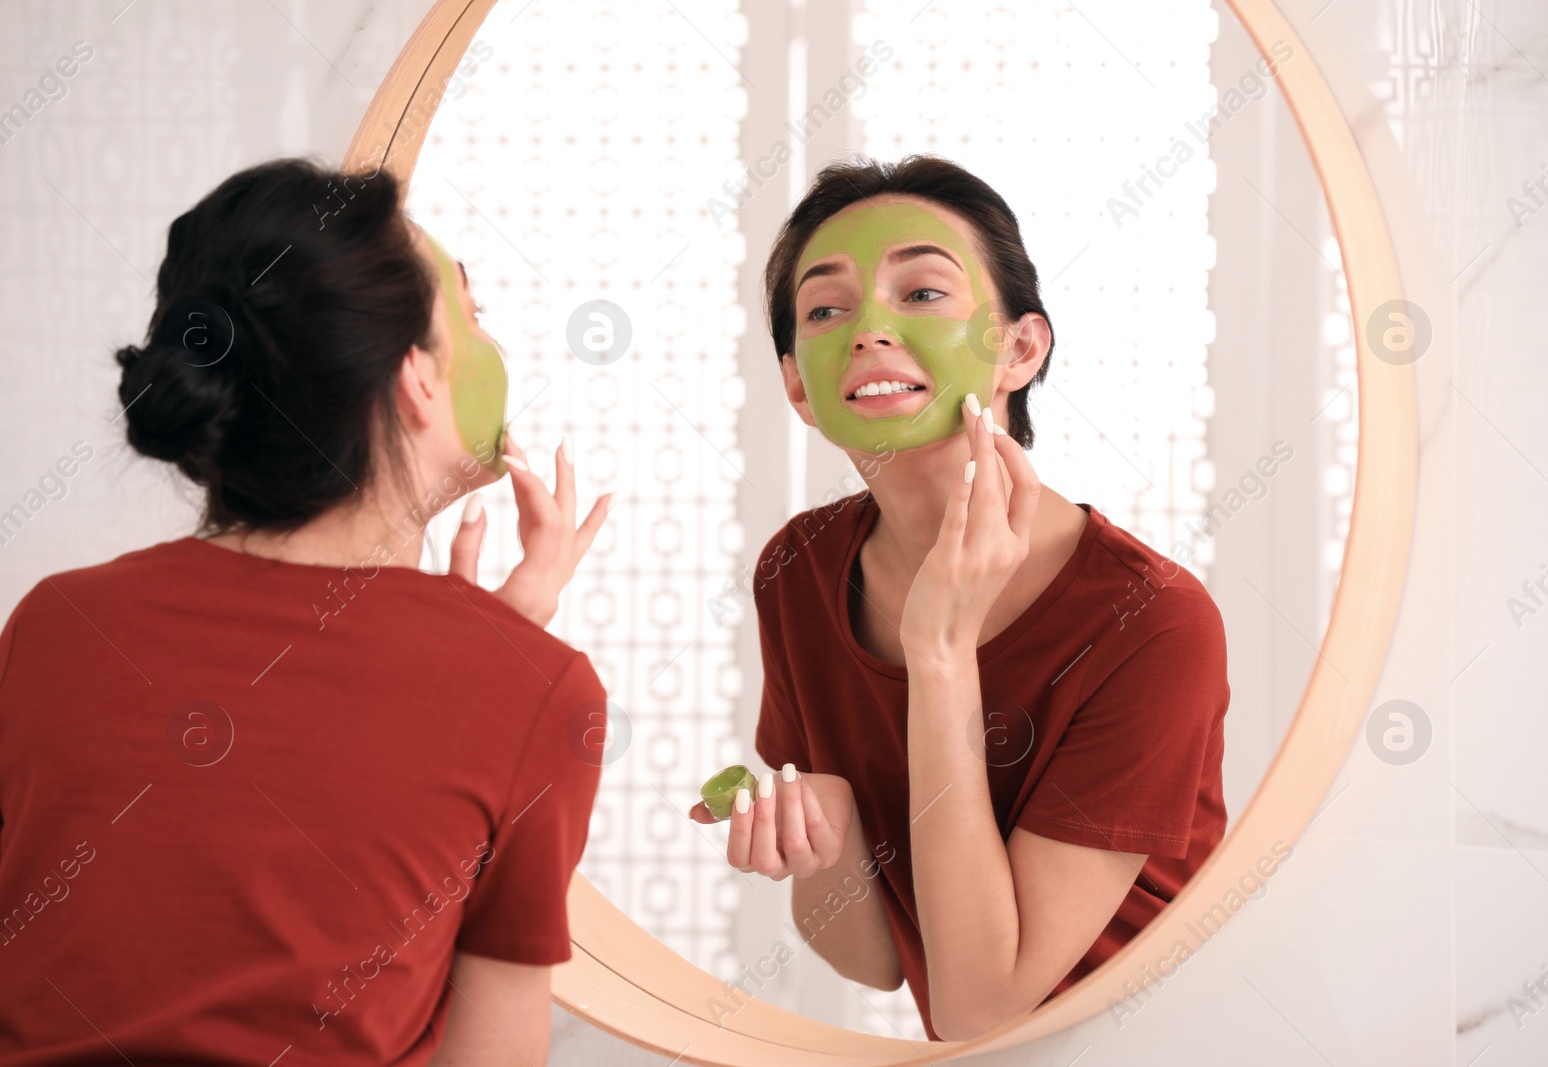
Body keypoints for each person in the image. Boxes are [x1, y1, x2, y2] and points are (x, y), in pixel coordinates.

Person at [0, 159, 610, 1066]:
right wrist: (503, 674)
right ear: (416, 380)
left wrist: (490, 661)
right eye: (472, 319)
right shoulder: (537, 689)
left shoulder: (52, 627)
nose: (493, 347)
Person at [691, 156, 1230, 1041]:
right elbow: (876, 960)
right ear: (798, 384)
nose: (867, 329)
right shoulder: (798, 567)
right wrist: (825, 835)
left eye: (923, 293)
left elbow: (984, 1002)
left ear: (1021, 347)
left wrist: (941, 650)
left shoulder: (1155, 621)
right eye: (826, 309)